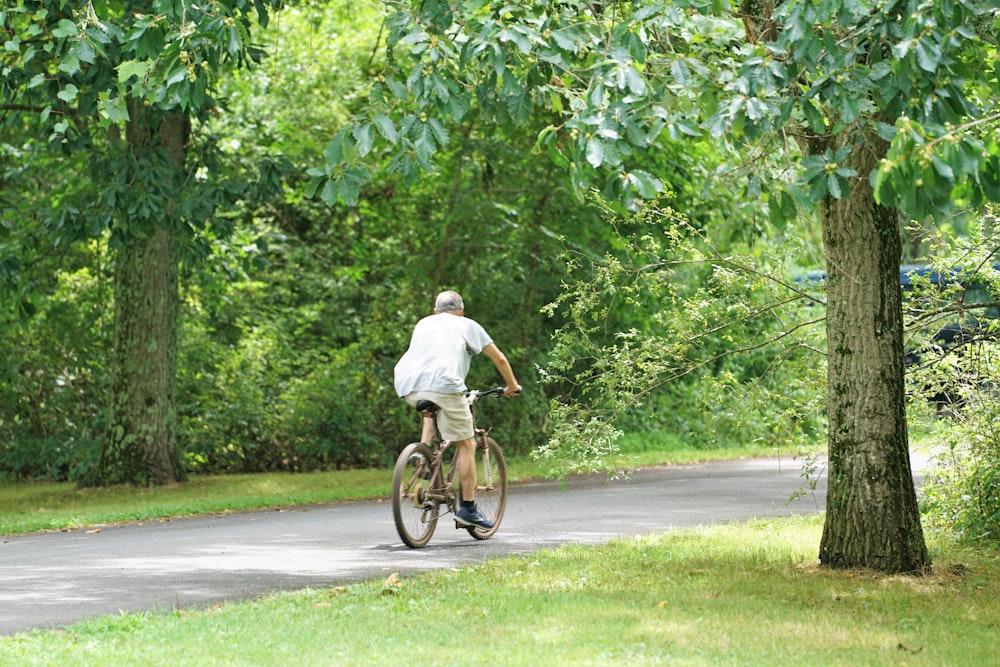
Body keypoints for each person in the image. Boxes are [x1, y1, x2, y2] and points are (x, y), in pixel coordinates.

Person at [394, 290, 522, 530]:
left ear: (435, 311)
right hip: (444, 385)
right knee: (466, 443)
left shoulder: (423, 324)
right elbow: (500, 359)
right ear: (461, 311)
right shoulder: (467, 324)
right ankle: (468, 509)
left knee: (431, 412)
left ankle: (423, 457)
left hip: (407, 385)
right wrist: (511, 386)